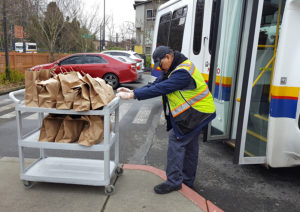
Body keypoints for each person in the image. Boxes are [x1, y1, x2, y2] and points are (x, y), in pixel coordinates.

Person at [116, 46, 216, 194]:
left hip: (196, 114)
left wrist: (133, 96)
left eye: (160, 64)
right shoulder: (174, 68)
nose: (160, 68)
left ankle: (174, 182)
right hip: (200, 113)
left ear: (168, 57)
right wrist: (133, 91)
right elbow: (157, 83)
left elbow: (161, 88)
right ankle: (187, 180)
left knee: (177, 142)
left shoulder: (182, 73)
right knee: (190, 147)